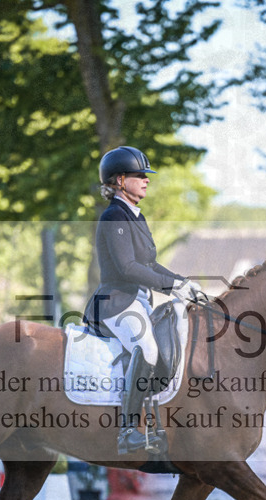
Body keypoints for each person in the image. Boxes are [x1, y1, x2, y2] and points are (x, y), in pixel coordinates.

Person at [83, 146, 202, 456]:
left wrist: (183, 283)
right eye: (139, 176)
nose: (146, 180)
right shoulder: (113, 216)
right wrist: (172, 284)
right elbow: (127, 268)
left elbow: (148, 264)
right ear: (120, 181)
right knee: (146, 347)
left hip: (138, 300)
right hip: (115, 302)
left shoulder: (136, 214)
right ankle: (127, 432)